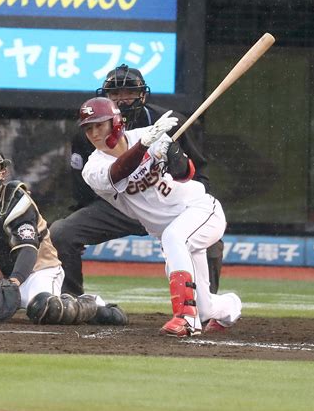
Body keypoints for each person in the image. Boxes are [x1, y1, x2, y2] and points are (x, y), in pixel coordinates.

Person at [50, 64, 223, 298]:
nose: (122, 99)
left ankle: (206, 305)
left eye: (129, 92)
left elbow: (197, 171)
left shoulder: (169, 122)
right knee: (63, 233)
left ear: (143, 94)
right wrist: (84, 215)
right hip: (119, 206)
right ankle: (71, 300)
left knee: (209, 242)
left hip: (167, 202)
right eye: (115, 94)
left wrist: (194, 196)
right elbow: (82, 188)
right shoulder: (88, 132)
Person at [78, 97, 241, 336]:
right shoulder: (93, 168)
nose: (93, 133)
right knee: (205, 309)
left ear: (115, 122)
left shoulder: (151, 136)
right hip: (173, 230)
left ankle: (185, 318)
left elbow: (186, 174)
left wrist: (173, 154)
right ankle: (230, 307)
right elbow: (118, 172)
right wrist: (145, 146)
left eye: (99, 125)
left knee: (174, 238)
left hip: (200, 210)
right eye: (88, 128)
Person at [0, 141, 127, 326]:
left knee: (48, 310)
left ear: (2, 173)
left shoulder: (16, 199)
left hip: (37, 270)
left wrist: (13, 281)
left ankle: (90, 305)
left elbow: (28, 249)